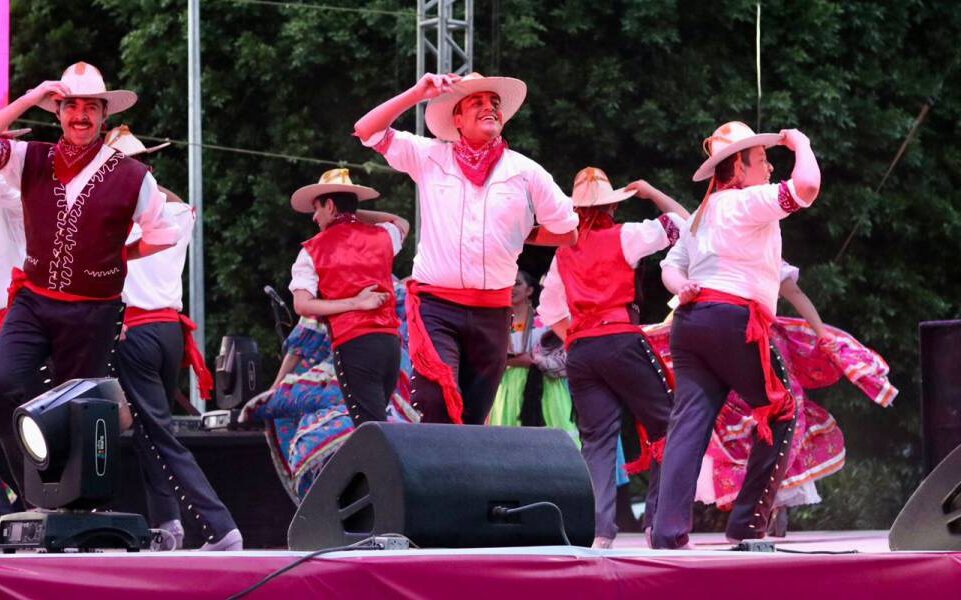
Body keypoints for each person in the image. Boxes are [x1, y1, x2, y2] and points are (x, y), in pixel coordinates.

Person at [354, 72, 578, 425]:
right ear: (457, 119)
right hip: (437, 306)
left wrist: (519, 234)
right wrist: (417, 93)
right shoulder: (431, 156)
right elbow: (367, 130)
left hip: (493, 311)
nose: (489, 107)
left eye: (494, 103)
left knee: (474, 416)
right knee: (435, 399)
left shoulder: (525, 171)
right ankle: (433, 461)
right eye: (477, 102)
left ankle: (458, 462)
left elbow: (567, 231)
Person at [0, 63, 180, 491]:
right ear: (58, 112)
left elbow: (162, 235)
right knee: (5, 378)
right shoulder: (31, 157)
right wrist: (30, 97)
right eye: (71, 107)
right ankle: (33, 487)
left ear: (104, 115)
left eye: (90, 108)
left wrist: (119, 254)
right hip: (35, 299)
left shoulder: (132, 175)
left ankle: (73, 500)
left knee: (77, 406)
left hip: (92, 310)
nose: (80, 116)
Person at [651, 121, 821, 549]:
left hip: (691, 323)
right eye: (761, 159)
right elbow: (806, 187)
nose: (769, 167)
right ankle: (747, 522)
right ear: (739, 168)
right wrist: (800, 143)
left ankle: (668, 530)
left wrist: (681, 287)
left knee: (688, 424)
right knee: (782, 408)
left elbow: (669, 266)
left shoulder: (701, 214)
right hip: (733, 321)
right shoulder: (746, 201)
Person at [538, 166, 689, 548]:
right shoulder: (626, 235)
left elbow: (549, 309)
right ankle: (658, 524)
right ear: (612, 206)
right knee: (670, 425)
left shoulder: (562, 255)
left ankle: (599, 533)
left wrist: (577, 337)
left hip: (582, 351)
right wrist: (652, 191)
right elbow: (684, 224)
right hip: (620, 340)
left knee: (598, 441)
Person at [109, 126, 241, 551]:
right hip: (168, 333)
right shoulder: (176, 212)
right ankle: (168, 524)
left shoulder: (115, 219)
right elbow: (177, 201)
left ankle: (219, 526)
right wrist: (143, 178)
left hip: (135, 331)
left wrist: (129, 178)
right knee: (150, 432)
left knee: (157, 433)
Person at [694, 262, 897, 534]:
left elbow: (795, 294)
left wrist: (823, 335)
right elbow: (796, 294)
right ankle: (762, 505)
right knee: (767, 423)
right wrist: (822, 334)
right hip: (747, 346)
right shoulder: (741, 256)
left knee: (764, 423)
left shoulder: (736, 258)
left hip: (750, 345)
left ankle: (762, 505)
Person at [240, 283, 419, 501]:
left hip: (368, 362)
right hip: (396, 368)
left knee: (319, 424)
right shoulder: (397, 289)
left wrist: (273, 392)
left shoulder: (334, 282)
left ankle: (342, 494)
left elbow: (303, 340)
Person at [289, 168, 409, 425]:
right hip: (389, 344)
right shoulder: (383, 235)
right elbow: (401, 222)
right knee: (377, 423)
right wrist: (353, 213)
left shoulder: (312, 250)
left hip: (354, 344)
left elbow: (302, 305)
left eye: (317, 208)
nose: (314, 217)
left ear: (330, 206)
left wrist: (354, 303)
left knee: (370, 428)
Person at [487, 270, 578, 441]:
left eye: (517, 283)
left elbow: (566, 357)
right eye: (508, 284)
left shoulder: (546, 321)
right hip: (507, 388)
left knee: (552, 440)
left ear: (529, 290)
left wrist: (533, 360)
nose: (511, 288)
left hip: (545, 387)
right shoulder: (496, 323)